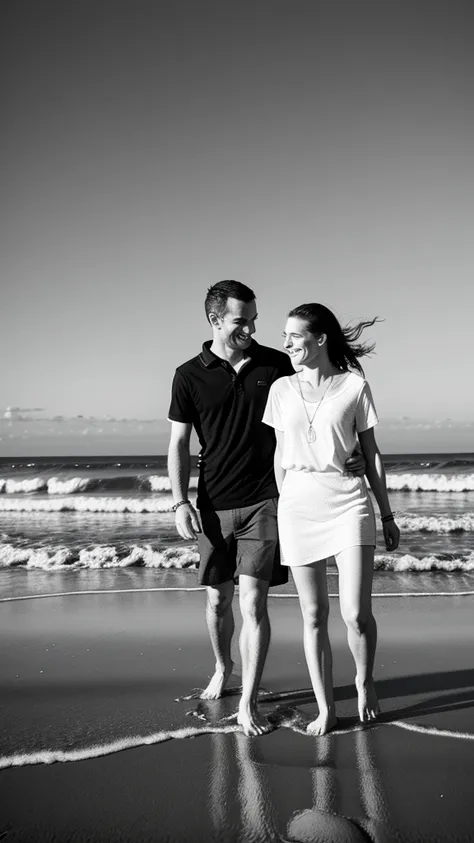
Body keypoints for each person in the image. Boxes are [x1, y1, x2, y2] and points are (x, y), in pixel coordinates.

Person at [167, 282, 366, 737]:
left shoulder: (275, 365)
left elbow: (324, 401)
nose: (251, 328)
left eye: (254, 318)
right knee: (218, 600)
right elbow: (179, 443)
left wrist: (350, 453)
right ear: (215, 321)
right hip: (213, 504)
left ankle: (249, 702)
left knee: (253, 602)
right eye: (241, 320)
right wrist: (180, 501)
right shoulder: (187, 375)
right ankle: (223, 667)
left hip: (266, 501)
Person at [262, 303, 400, 736]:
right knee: (314, 614)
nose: (285, 343)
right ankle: (326, 708)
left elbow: (371, 452)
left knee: (356, 614)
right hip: (299, 508)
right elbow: (280, 455)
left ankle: (364, 679)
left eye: (294, 335)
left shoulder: (354, 386)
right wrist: (288, 503)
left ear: (320, 339)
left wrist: (387, 512)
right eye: (284, 335)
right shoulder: (281, 389)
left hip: (349, 503)